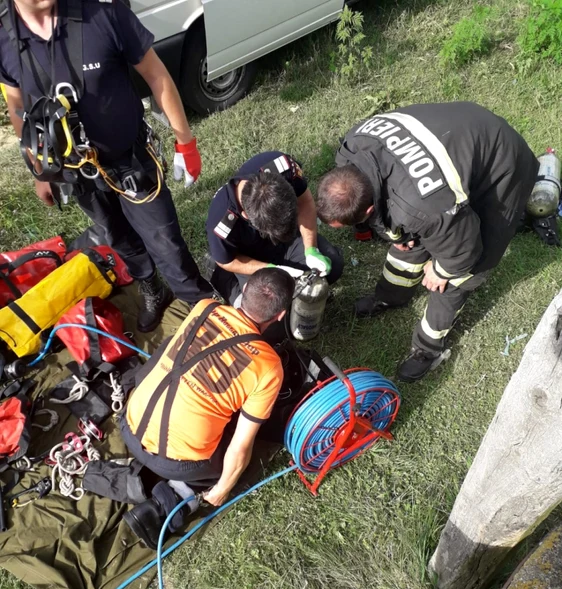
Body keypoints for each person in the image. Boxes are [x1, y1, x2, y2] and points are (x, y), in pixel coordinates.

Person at [0, 0, 215, 332]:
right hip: (75, 172)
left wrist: (185, 142)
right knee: (118, 237)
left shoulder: (101, 12)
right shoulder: (4, 36)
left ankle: (200, 305)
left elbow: (155, 74)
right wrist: (40, 169)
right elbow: (17, 104)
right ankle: (150, 287)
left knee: (165, 240)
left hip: (130, 159)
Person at [316, 102, 539, 382]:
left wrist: (442, 270)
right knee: (408, 244)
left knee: (461, 275)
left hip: (501, 161)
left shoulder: (425, 206)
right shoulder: (351, 149)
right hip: (455, 140)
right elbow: (395, 213)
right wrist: (395, 235)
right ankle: (390, 297)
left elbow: (465, 250)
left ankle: (428, 348)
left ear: (369, 210)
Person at [120, 267, 293, 547]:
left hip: (128, 425)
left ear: (243, 292)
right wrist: (222, 489)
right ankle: (176, 497)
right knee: (246, 454)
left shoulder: (205, 307)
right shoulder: (268, 366)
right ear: (281, 316)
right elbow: (240, 446)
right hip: (176, 464)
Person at [206, 150, 345, 305]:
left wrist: (311, 249)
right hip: (250, 257)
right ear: (246, 215)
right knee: (267, 311)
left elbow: (305, 202)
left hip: (287, 242)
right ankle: (227, 282)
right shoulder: (221, 222)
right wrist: (270, 268)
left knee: (333, 266)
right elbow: (227, 262)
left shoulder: (282, 167)